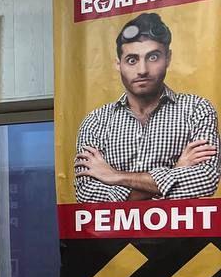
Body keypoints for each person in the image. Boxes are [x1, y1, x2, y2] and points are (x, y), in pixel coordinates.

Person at [74, 12, 219, 202]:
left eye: (153, 57)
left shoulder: (196, 110)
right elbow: (86, 195)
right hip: (118, 225)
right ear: (118, 64)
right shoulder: (96, 121)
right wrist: (176, 172)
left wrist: (115, 176)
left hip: (179, 224)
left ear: (168, 58)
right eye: (132, 60)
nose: (142, 70)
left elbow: (206, 180)